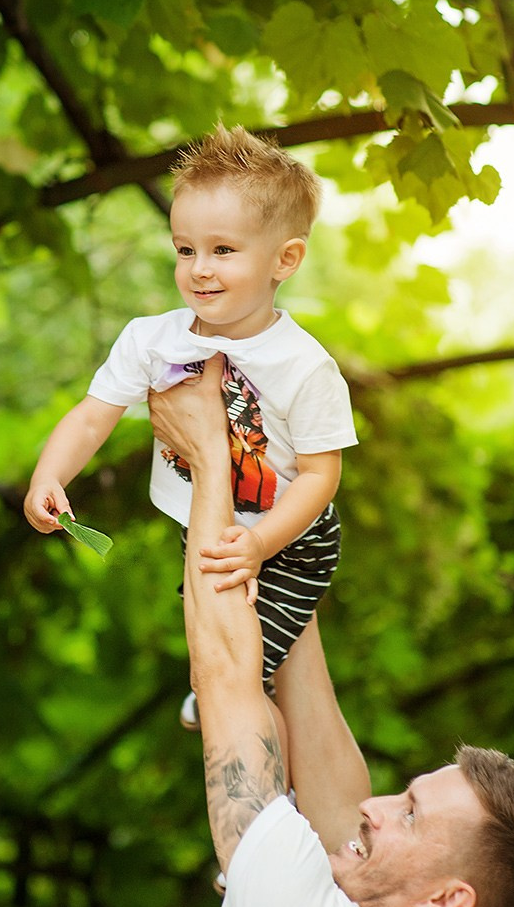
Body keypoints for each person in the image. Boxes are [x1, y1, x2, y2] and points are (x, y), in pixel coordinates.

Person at [147, 354, 514, 907]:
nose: (374, 807)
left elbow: (225, 675)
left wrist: (209, 462)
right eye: (403, 796)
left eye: (407, 813)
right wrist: (276, 535)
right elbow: (338, 814)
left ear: (444, 900)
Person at [24, 124, 357, 737]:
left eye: (223, 251)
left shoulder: (304, 365)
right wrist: (50, 473)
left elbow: (321, 476)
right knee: (218, 654)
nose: (199, 269)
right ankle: (230, 713)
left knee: (239, 676)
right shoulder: (153, 340)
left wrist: (261, 546)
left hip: (290, 542)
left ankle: (261, 779)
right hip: (204, 526)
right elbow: (94, 412)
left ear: (285, 258)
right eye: (185, 250)